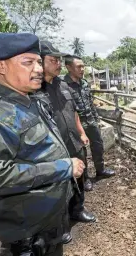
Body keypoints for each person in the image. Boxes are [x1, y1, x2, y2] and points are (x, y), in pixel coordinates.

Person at [0, 33, 85, 256]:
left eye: (39, 62)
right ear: (0, 65)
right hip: (27, 234)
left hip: (47, 221)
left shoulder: (27, 101)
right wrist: (63, 167)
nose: (39, 69)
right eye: (28, 62)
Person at [38, 41, 96, 238]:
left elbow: (74, 112)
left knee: (78, 178)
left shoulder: (63, 85)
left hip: (73, 141)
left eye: (59, 60)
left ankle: (77, 210)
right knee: (57, 186)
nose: (58, 64)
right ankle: (59, 224)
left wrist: (81, 132)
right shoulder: (34, 89)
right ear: (40, 62)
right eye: (53, 60)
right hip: (52, 148)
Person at [64, 55, 115, 189]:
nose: (82, 69)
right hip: (76, 124)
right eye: (78, 67)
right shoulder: (63, 86)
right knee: (81, 152)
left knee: (98, 145)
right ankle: (85, 178)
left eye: (83, 66)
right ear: (68, 67)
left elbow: (90, 103)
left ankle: (100, 170)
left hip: (90, 120)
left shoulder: (84, 83)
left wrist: (96, 118)